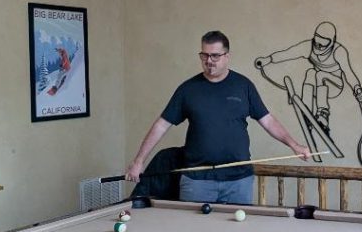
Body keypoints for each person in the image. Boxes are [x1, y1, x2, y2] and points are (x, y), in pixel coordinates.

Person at [125, 31, 310, 204]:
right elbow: (161, 125)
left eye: (215, 56)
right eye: (204, 55)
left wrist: (294, 144)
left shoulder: (244, 86)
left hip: (238, 181)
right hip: (197, 181)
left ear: (227, 56)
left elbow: (268, 121)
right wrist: (139, 160)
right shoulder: (188, 89)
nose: (209, 61)